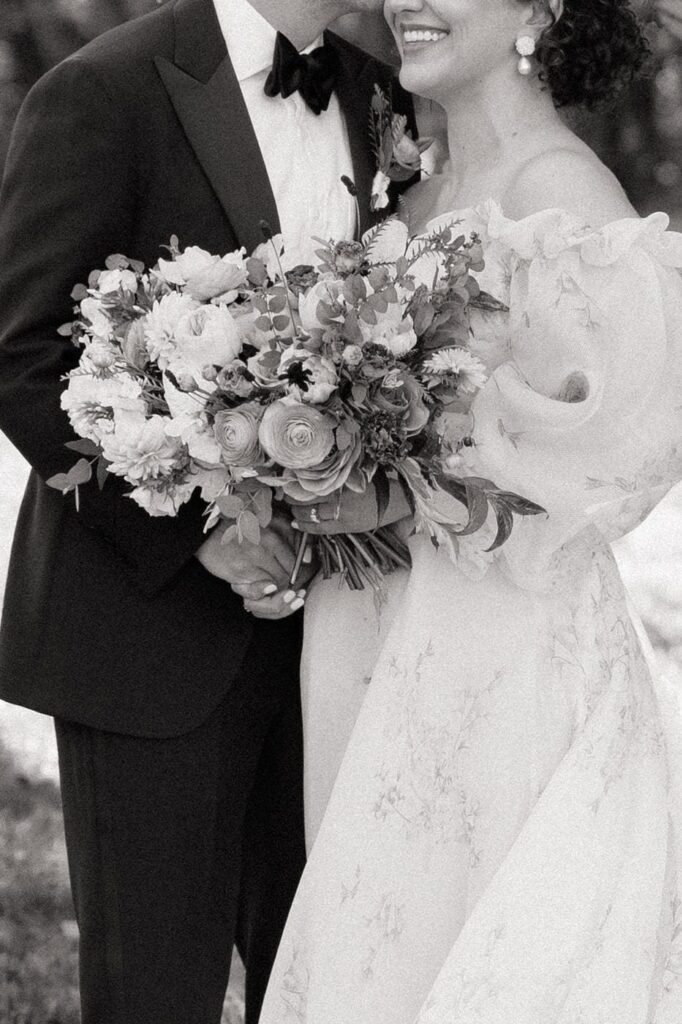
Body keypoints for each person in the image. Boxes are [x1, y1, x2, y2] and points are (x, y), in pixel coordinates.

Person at [258, 1, 682, 1021]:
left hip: (497, 648)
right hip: (375, 633)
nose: (407, 0)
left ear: (540, 6)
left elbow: (629, 442)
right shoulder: (415, 187)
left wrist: (399, 474)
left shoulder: (557, 190)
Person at [0, 1, 418, 1021]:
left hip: (342, 635)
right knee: (154, 995)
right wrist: (199, 534)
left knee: (322, 987)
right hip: (149, 634)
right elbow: (22, 354)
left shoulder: (384, 98)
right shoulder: (102, 92)